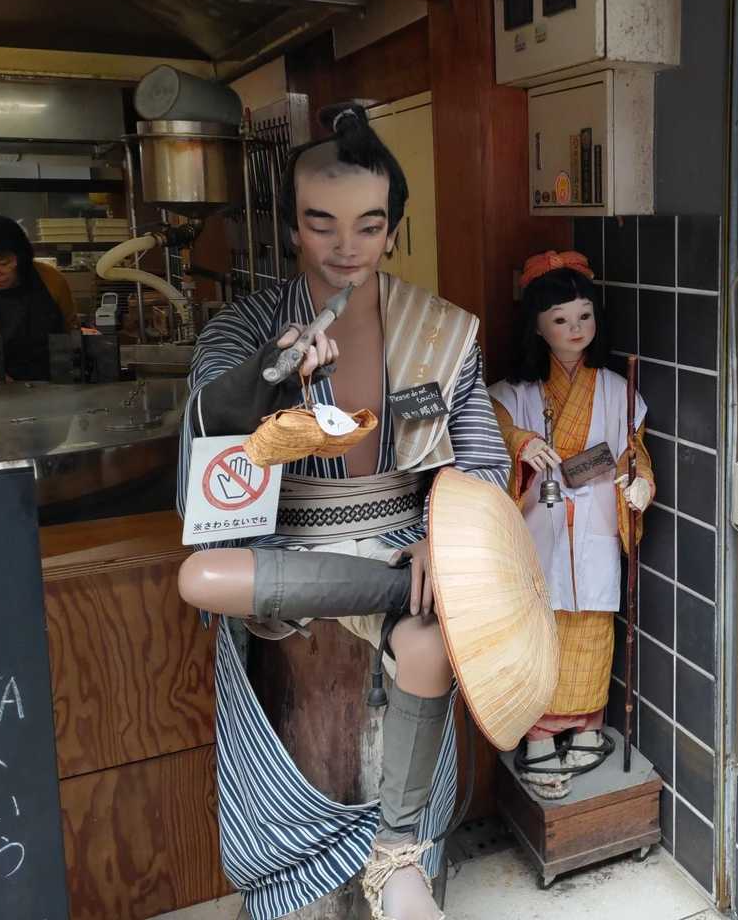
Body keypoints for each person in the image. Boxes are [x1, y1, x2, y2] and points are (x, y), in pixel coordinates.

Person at [174, 105, 510, 920]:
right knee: (206, 578)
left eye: (368, 225)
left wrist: (444, 540)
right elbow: (211, 421)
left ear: (393, 229)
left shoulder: (443, 332)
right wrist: (269, 375)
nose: (345, 247)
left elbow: (483, 461)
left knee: (427, 640)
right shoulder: (246, 327)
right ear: (293, 226)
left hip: (407, 544)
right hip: (292, 551)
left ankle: (400, 859)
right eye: (321, 223)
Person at [488, 251, 654, 800]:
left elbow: (633, 451)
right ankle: (537, 733)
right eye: (560, 319)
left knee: (592, 626)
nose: (575, 329)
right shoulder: (511, 394)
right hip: (541, 524)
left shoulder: (616, 388)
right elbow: (495, 435)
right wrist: (521, 444)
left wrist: (640, 483)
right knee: (539, 627)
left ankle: (586, 727)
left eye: (584, 316)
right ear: (537, 326)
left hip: (596, 525)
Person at [0, 212, 76, 380]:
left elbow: (70, 330)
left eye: (3, 263)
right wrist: (14, 390)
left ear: (21, 257)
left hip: (56, 378)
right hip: (0, 384)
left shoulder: (51, 279)